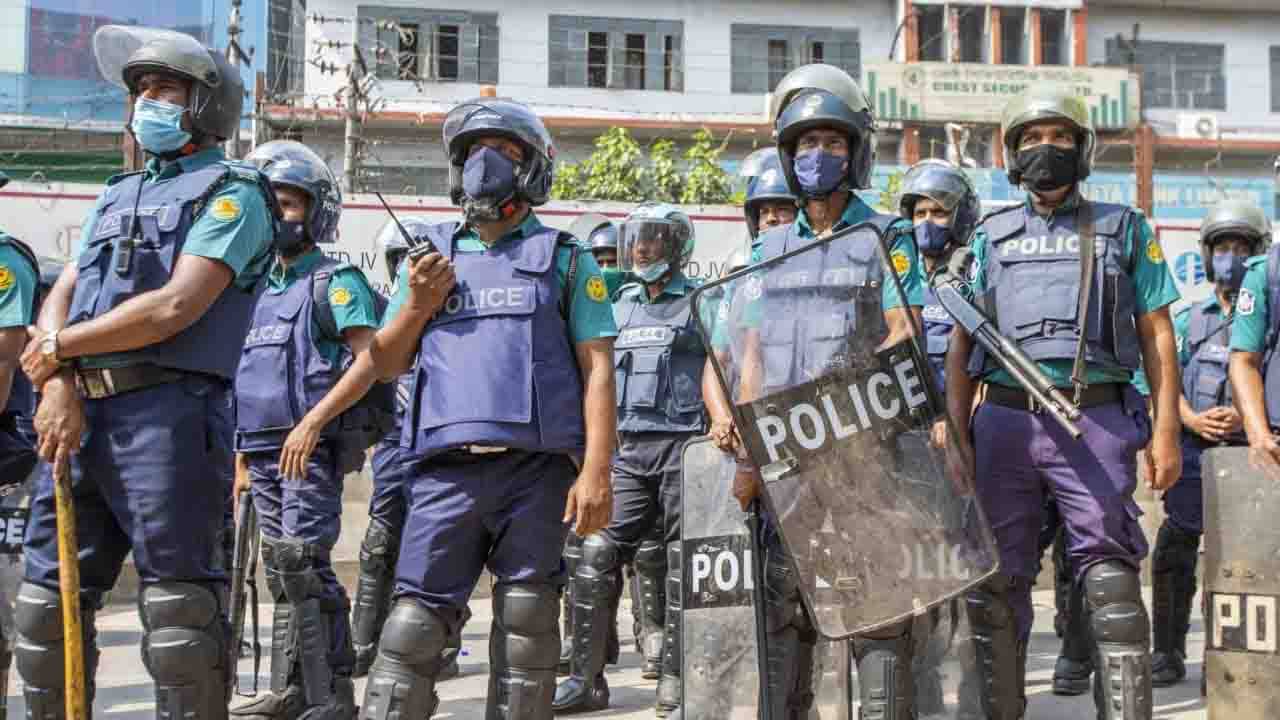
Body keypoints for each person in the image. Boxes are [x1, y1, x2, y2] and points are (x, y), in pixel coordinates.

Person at [15, 26, 275, 720]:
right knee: (47, 603)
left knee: (179, 617)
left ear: (207, 108)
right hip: (77, 418)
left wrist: (60, 347)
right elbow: (60, 296)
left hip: (170, 418)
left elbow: (174, 306)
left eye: (165, 91)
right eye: (141, 93)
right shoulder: (114, 193)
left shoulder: (235, 192)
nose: (148, 105)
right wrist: (60, 379)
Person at [357, 96, 617, 720]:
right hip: (445, 472)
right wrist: (418, 303)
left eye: (504, 150)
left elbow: (599, 367)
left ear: (533, 168)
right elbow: (386, 364)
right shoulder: (428, 261)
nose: (486, 163)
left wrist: (597, 470)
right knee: (412, 631)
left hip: (537, 474)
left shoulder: (566, 257)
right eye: (473, 151)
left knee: (528, 630)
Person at [945, 88, 1182, 720]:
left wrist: (1166, 434)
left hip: (1095, 417)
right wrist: (957, 433)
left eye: (1058, 136)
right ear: (1011, 154)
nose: (1043, 149)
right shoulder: (988, 235)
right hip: (1001, 420)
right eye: (1029, 138)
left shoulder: (1124, 226)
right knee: (994, 585)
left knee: (1111, 583)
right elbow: (958, 341)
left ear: (1082, 148)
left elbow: (1158, 332)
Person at [721, 63, 927, 719]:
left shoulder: (885, 235)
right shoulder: (769, 246)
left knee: (877, 608)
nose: (817, 156)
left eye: (832, 143)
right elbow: (751, 356)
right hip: (787, 455)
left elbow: (905, 331)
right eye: (805, 145)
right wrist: (751, 456)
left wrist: (848, 402)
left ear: (855, 152)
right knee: (783, 606)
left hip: (865, 449)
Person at [228, 140, 390, 720]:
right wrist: (241, 460)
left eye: (291, 204)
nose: (280, 217)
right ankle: (290, 688)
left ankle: (332, 695)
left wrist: (312, 423)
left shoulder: (335, 281)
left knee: (304, 562)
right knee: (281, 569)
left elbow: (370, 361)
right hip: (262, 453)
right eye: (272, 205)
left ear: (315, 211)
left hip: (310, 449)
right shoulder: (253, 288)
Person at [554, 203, 706, 717]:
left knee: (686, 566)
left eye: (654, 240)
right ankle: (584, 679)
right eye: (637, 239)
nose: (641, 249)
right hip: (628, 453)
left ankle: (678, 680)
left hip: (687, 449)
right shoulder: (617, 306)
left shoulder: (703, 302)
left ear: (678, 247)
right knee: (594, 555)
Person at [351, 216, 466, 682]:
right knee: (380, 544)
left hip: (442, 434)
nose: (409, 269)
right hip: (396, 437)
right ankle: (363, 643)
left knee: (441, 544)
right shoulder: (382, 312)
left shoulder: (458, 310)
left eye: (414, 259)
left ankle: (444, 646)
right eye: (399, 261)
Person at [557, 212, 624, 678]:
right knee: (577, 554)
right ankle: (581, 653)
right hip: (579, 446)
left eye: (611, 258)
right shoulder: (572, 299)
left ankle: (654, 641)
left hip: (646, 448)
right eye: (599, 258)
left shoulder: (643, 302)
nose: (606, 265)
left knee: (653, 559)